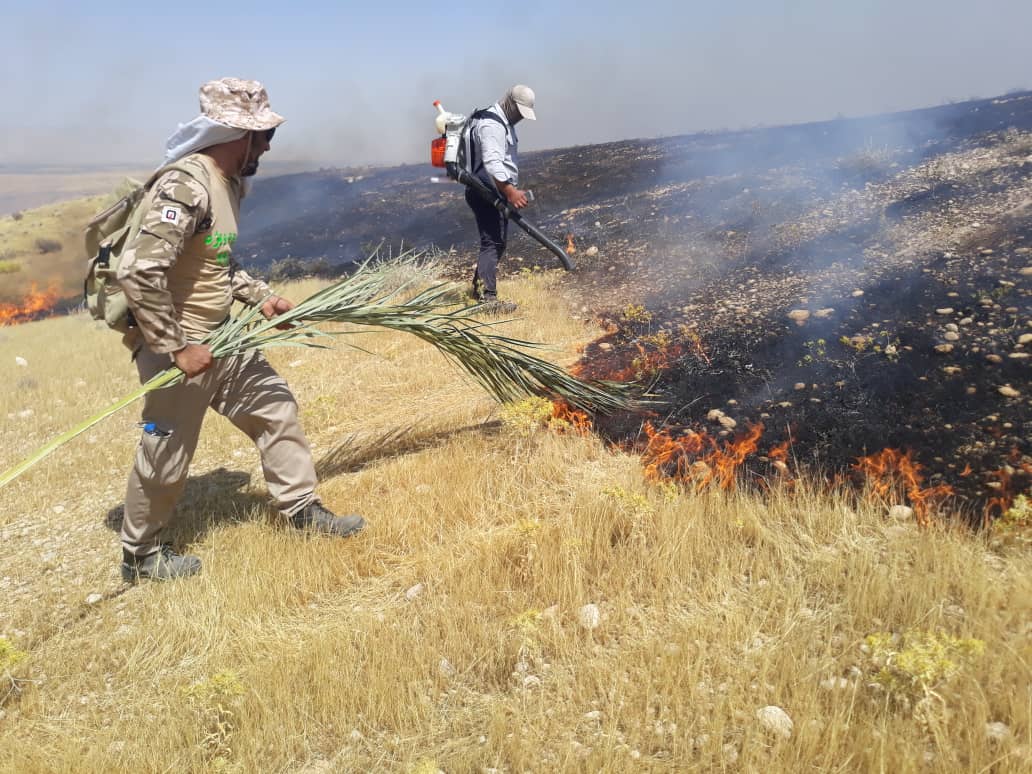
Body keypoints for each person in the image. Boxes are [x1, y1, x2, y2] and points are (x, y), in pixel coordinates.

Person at [116, 77, 365, 583]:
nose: (269, 144)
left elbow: (217, 263)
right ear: (234, 135)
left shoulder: (229, 183)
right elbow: (139, 271)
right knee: (163, 449)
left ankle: (301, 509)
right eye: (262, 134)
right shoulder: (185, 184)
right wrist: (177, 346)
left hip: (224, 338)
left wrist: (262, 296)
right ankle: (140, 556)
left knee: (276, 407)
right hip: (179, 346)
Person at [464, 84, 537, 310]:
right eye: (519, 113)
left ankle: (478, 290)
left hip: (489, 189)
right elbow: (493, 162)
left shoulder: (497, 120)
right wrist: (510, 192)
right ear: (510, 103)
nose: (520, 118)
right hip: (485, 190)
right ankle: (488, 299)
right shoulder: (492, 125)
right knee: (493, 242)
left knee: (496, 241)